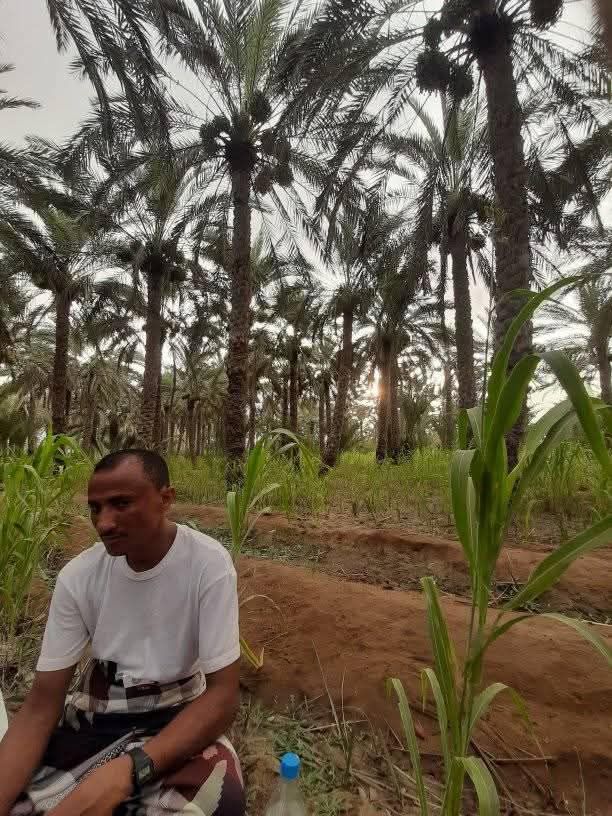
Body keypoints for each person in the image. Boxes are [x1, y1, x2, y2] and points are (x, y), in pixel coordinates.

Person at [0, 449, 245, 816]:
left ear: (166, 499)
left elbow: (223, 697)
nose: (104, 523)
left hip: (178, 715)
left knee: (216, 802)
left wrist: (130, 770)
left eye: (121, 504)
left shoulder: (207, 565)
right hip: (99, 716)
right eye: (95, 508)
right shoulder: (78, 578)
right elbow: (41, 706)